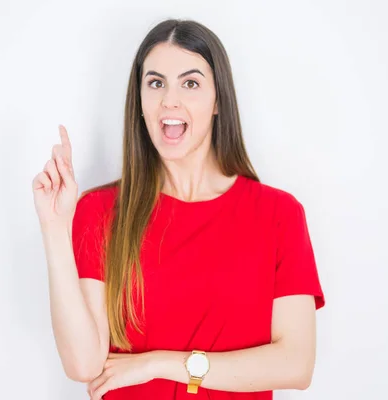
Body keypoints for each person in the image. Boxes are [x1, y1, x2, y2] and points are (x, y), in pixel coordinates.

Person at [32, 18, 325, 400]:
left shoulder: (278, 214)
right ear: (139, 101)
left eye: (190, 83)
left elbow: (296, 365)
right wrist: (55, 227)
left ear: (218, 100)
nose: (170, 100)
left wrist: (158, 364)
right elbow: (84, 365)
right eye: (156, 83)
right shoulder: (99, 211)